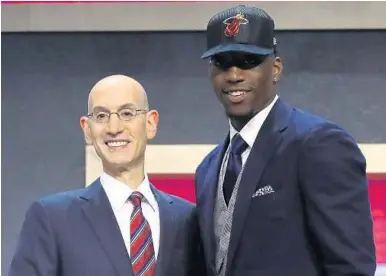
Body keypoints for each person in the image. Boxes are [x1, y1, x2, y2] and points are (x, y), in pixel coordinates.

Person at [195, 5, 376, 276]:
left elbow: (351, 268)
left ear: (276, 68)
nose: (234, 75)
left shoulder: (319, 145)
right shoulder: (207, 169)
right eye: (222, 63)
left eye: (248, 61)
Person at [9, 74, 205, 276]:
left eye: (127, 113)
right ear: (87, 129)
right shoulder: (52, 218)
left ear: (150, 123)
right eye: (101, 116)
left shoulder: (188, 219)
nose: (114, 128)